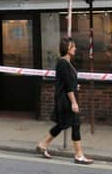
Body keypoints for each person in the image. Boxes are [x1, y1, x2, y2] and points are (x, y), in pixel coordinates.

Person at [36, 36, 93, 165]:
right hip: (66, 100)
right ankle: (79, 155)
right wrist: (74, 102)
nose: (75, 48)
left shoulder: (66, 62)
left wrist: (75, 86)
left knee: (63, 124)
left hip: (65, 98)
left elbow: (67, 82)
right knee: (75, 124)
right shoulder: (63, 63)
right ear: (67, 49)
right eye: (73, 46)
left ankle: (43, 144)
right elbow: (67, 85)